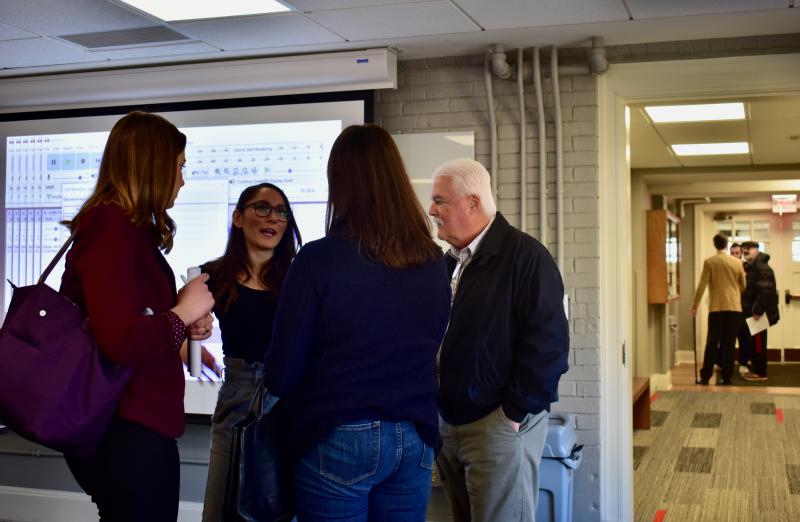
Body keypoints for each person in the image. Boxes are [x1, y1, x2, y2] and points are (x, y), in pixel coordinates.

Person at [263, 124, 451, 521]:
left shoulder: (317, 260)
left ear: (340, 184)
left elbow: (282, 375)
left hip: (339, 435)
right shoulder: (434, 261)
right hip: (415, 436)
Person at [59, 111, 215, 521]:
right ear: (154, 166)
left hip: (127, 424)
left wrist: (179, 325)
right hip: (125, 427)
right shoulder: (111, 226)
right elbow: (121, 340)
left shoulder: (123, 228)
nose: (182, 180)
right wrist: (183, 311)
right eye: (179, 167)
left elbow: (122, 318)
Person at [429, 158, 570, 522]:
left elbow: (549, 346)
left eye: (440, 201)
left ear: (473, 203)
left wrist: (513, 414)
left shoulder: (526, 256)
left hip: (497, 423)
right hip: (450, 422)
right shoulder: (449, 263)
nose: (431, 211)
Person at [200, 183, 301, 521]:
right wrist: (190, 342)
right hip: (238, 397)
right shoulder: (211, 275)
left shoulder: (299, 278)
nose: (273, 218)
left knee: (282, 507)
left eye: (281, 212)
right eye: (263, 208)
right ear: (238, 218)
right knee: (223, 505)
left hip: (290, 402)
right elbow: (177, 330)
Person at [691, 234, 746, 385]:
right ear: (727, 245)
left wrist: (695, 305)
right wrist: (734, 288)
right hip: (734, 307)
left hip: (716, 307)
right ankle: (727, 378)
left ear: (715, 245)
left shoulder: (710, 262)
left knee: (712, 342)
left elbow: (702, 285)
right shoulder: (737, 263)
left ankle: (705, 377)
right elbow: (743, 285)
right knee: (730, 343)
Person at [740, 240, 779, 381]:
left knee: (758, 344)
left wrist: (758, 310)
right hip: (753, 313)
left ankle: (761, 373)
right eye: (744, 250)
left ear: (756, 249)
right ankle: (756, 370)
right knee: (754, 343)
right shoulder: (753, 267)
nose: (745, 252)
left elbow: (765, 291)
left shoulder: (762, 268)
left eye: (748, 249)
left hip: (758, 314)